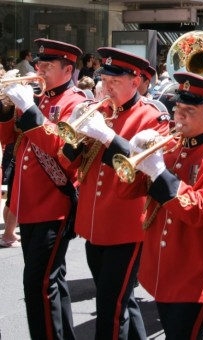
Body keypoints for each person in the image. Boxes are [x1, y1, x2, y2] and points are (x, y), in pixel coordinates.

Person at [59, 47, 170, 340]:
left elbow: (145, 166)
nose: (106, 87)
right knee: (120, 300)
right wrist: (78, 130)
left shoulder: (152, 116)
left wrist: (107, 137)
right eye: (104, 80)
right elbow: (67, 158)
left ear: (136, 82)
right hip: (94, 223)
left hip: (126, 227)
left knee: (109, 306)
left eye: (114, 82)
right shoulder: (99, 110)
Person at [115, 72, 203, 339]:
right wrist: (134, 156)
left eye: (189, 111)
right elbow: (125, 192)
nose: (179, 117)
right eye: (178, 108)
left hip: (197, 275)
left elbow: (202, 212)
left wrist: (160, 174)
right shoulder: (170, 147)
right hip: (163, 270)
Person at [0, 38, 89, 340]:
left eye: (48, 65)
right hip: (29, 205)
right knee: (51, 282)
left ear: (68, 69)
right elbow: (9, 140)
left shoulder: (77, 103)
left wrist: (27, 107)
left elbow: (63, 151)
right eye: (39, 64)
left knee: (38, 285)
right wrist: (5, 107)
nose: (40, 70)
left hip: (53, 206)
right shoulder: (40, 99)